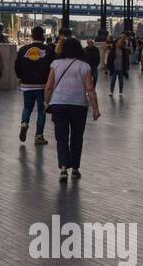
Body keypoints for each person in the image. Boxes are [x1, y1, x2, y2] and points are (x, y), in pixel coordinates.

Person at [43, 37, 100, 181]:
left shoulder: (55, 64)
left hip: (59, 104)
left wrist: (46, 101)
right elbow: (90, 89)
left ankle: (63, 168)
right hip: (79, 105)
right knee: (77, 137)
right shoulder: (84, 66)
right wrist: (95, 108)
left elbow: (49, 86)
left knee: (61, 137)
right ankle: (75, 168)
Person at [14, 26, 53, 145]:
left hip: (27, 84)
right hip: (42, 85)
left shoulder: (23, 49)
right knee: (42, 110)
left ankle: (24, 123)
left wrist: (20, 77)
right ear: (43, 37)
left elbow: (17, 65)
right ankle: (39, 136)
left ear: (31, 36)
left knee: (27, 108)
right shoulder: (48, 50)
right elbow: (53, 67)